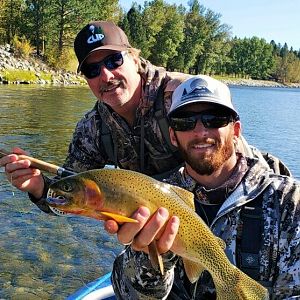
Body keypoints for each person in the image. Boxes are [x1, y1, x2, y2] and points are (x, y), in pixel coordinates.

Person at [0, 21, 290, 214]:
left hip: (228, 207)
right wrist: (38, 188)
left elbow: (240, 165)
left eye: (114, 60)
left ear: (135, 59)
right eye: (92, 70)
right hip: (153, 224)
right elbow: (72, 197)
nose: (106, 75)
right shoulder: (92, 129)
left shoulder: (180, 96)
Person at [107, 75, 300, 299]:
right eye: (185, 122)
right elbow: (127, 294)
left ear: (236, 131)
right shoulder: (154, 198)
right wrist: (150, 256)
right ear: (173, 135)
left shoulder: (288, 201)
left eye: (214, 119)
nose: (200, 132)